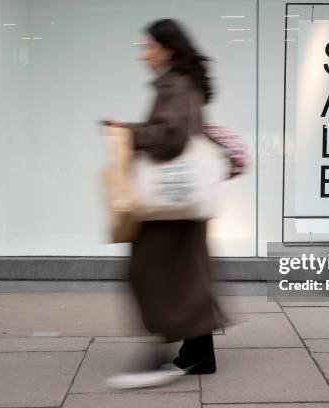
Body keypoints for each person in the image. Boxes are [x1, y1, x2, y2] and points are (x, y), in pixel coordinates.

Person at [104, 18, 227, 389]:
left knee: (149, 273)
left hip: (171, 205)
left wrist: (128, 132)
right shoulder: (181, 81)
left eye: (148, 47)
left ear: (167, 48)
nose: (144, 55)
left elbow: (171, 138)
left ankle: (157, 354)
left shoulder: (175, 83)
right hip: (182, 202)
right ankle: (198, 354)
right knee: (186, 275)